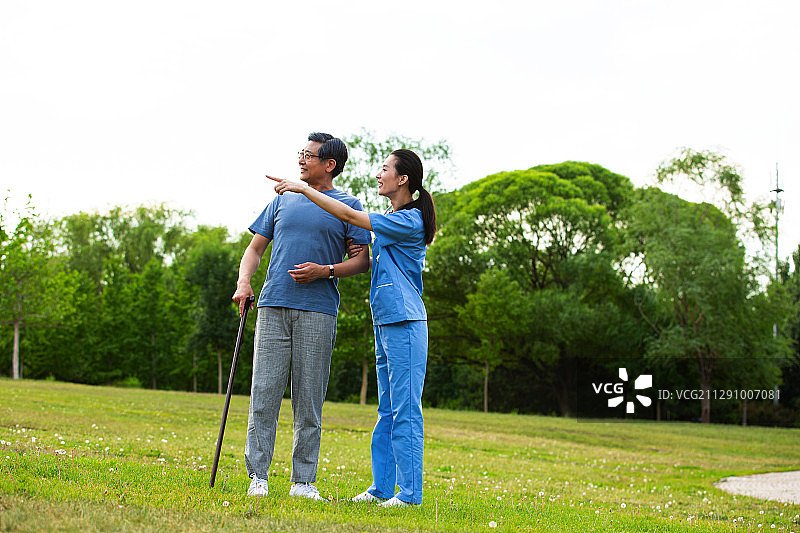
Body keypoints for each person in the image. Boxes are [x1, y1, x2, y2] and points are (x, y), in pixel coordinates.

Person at [270, 148, 436, 507]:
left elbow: (347, 214)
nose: (379, 175)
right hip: (386, 322)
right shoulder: (396, 216)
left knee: (405, 410)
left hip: (405, 323)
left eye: (385, 169)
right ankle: (381, 488)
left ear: (402, 179)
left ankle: (409, 496)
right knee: (387, 411)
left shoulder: (408, 221)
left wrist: (302, 189)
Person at [232, 132, 371, 501]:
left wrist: (324, 271)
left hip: (318, 310)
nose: (300, 160)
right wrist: (244, 282)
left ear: (330, 164)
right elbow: (254, 249)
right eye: (300, 153)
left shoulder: (349, 206)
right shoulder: (282, 200)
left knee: (309, 397)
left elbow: (361, 260)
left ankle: (303, 482)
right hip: (272, 305)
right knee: (263, 393)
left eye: (308, 156)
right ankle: (257, 477)